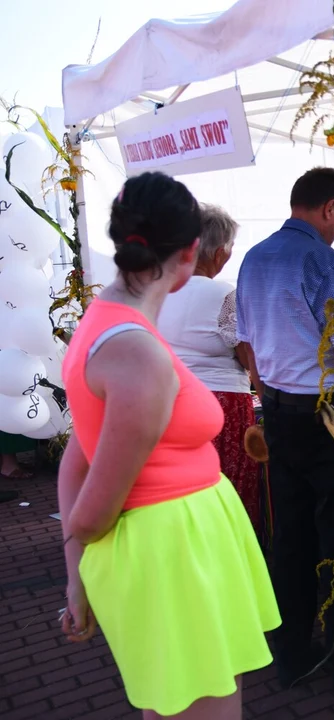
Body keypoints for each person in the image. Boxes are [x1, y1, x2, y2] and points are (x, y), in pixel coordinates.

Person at [57, 172, 279, 719]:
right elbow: (93, 510)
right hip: (171, 550)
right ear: (190, 253)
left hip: (181, 544)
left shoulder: (110, 321)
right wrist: (79, 562)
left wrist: (76, 574)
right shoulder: (137, 353)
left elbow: (75, 458)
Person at [235, 167, 334, 694]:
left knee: (288, 537)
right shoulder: (321, 258)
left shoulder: (254, 258)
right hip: (325, 413)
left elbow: (245, 343)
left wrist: (267, 387)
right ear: (327, 207)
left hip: (277, 409)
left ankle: (290, 652)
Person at [158, 204, 262, 533]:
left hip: (172, 401)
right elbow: (250, 359)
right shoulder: (225, 294)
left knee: (187, 491)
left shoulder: (161, 290)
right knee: (229, 490)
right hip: (222, 405)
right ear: (219, 253)